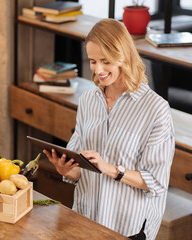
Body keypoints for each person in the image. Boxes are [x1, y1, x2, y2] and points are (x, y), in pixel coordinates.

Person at [43, 18, 175, 240]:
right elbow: (79, 170)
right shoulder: (88, 101)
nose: (98, 70)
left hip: (127, 227)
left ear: (123, 56)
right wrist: (66, 169)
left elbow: (156, 182)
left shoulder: (156, 109)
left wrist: (111, 168)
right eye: (93, 61)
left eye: (106, 61)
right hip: (85, 220)